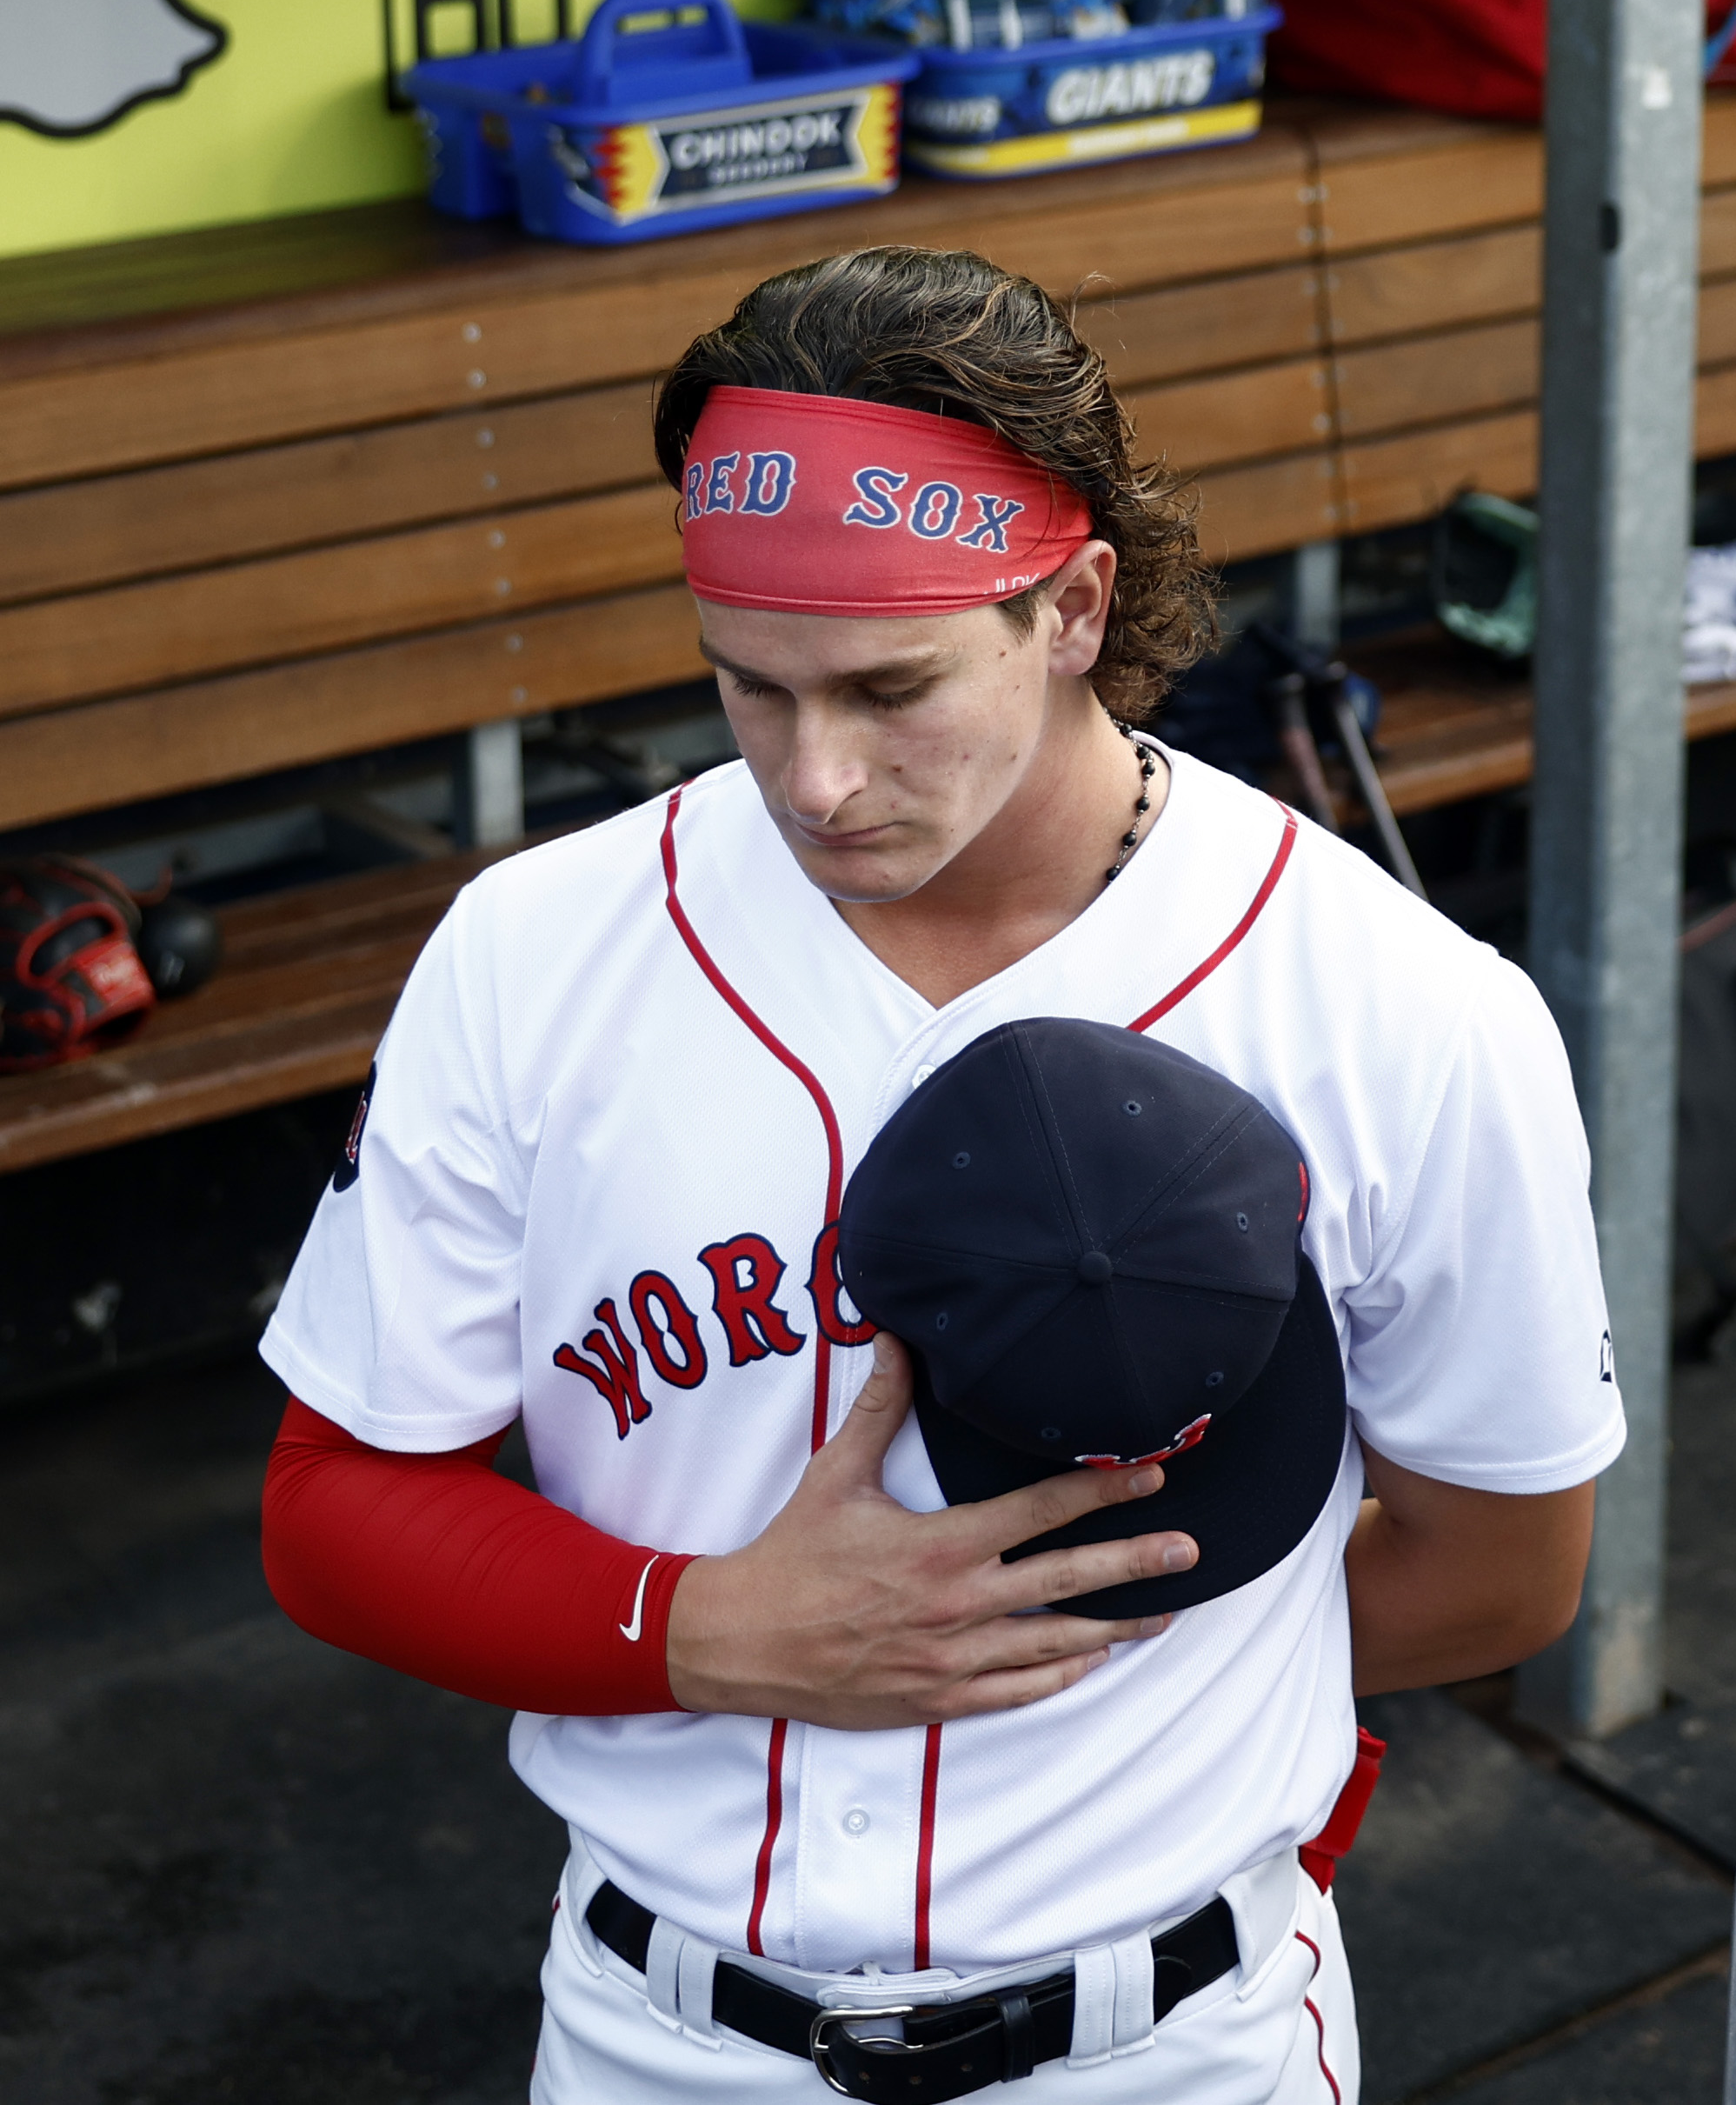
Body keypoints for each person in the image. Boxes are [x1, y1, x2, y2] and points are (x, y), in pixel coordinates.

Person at [256, 245, 1624, 2102]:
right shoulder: (533, 951)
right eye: (750, 689)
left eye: (891, 688)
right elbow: (334, 1504)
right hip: (664, 2042)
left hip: (1164, 2052)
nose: (816, 777)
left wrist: (1159, 1702)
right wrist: (705, 1631)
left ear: (1071, 608)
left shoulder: (1401, 1007)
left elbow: (1504, 1567)